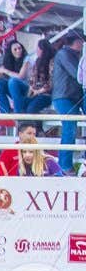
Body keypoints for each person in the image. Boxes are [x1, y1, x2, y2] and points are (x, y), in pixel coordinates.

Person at [49, 30, 83, 172]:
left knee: (70, 129)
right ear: (76, 42)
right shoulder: (64, 54)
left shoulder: (72, 54)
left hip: (73, 96)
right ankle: (64, 166)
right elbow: (77, 74)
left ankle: (66, 166)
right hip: (64, 97)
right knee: (69, 129)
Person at [0, 39, 31, 114]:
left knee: (12, 81)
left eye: (19, 48)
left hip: (27, 89)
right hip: (15, 89)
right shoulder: (9, 60)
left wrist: (5, 71)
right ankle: (5, 110)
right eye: (15, 49)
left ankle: (18, 112)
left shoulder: (26, 59)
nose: (18, 51)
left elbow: (20, 77)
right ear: (11, 52)